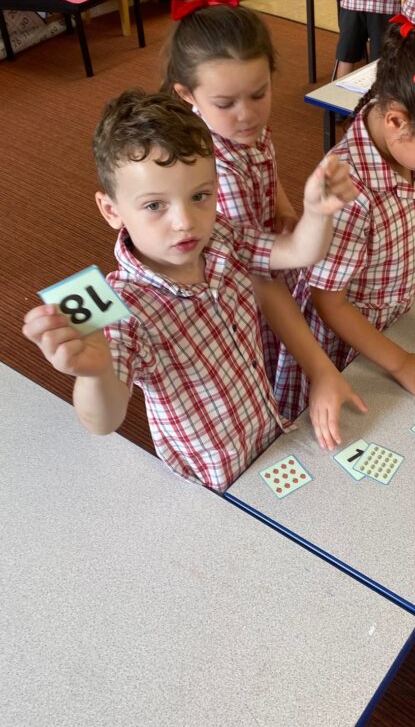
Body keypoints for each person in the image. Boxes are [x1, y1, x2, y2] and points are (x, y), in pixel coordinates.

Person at [22, 90, 367, 493]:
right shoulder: (117, 306)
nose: (186, 222)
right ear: (111, 210)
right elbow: (103, 420)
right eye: (154, 206)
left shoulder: (219, 235)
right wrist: (96, 373)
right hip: (213, 483)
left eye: (200, 196)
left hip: (266, 436)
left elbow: (296, 251)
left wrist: (317, 212)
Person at [272, 21, 415, 422]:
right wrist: (398, 363)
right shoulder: (348, 192)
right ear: (396, 121)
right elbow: (329, 300)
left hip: (394, 321)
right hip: (346, 346)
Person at [162, 0, 300, 385]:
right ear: (187, 95)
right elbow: (252, 268)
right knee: (262, 357)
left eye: (259, 94)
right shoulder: (214, 165)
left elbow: (269, 174)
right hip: (238, 286)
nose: (247, 114)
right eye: (225, 103)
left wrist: (284, 208)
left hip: (266, 256)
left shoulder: (246, 132)